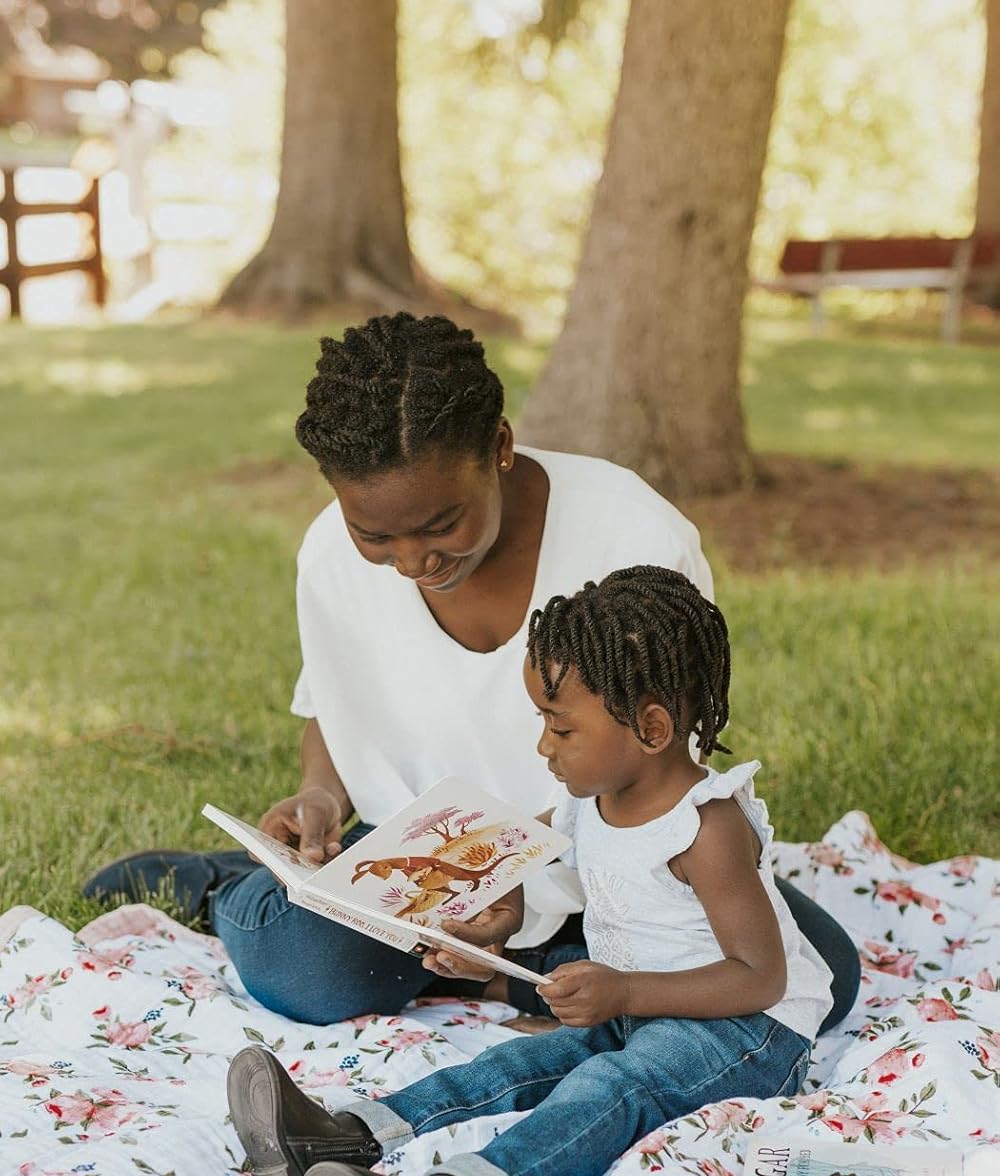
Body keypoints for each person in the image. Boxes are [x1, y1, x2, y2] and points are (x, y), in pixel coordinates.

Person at [84, 312, 859, 1030]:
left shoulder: (632, 534)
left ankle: (505, 972)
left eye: (441, 524)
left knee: (820, 978)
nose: (413, 562)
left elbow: (661, 757)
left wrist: (530, 884)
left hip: (609, 858)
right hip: (426, 876)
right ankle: (228, 886)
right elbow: (336, 702)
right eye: (375, 535)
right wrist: (322, 794)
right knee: (308, 969)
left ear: (500, 446)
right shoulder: (327, 557)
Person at [227, 567, 833, 1176]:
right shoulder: (591, 797)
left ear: (652, 727)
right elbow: (512, 853)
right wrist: (497, 922)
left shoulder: (706, 828)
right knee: (515, 1063)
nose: (544, 746)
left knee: (612, 1089)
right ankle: (340, 1138)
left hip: (750, 1033)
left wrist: (624, 992)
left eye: (560, 726)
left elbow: (760, 977)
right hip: (641, 1010)